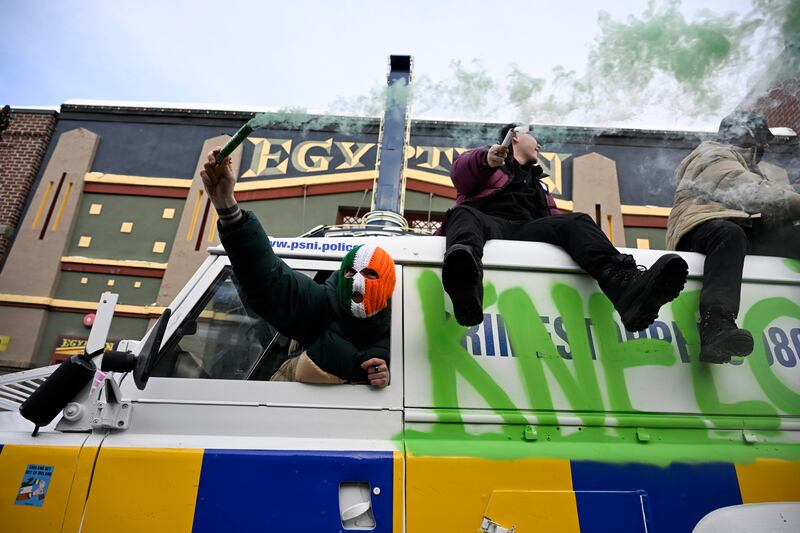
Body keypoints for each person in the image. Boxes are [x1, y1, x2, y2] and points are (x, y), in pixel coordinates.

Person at [441, 123, 689, 332]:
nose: (539, 144)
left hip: (527, 231)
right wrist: (486, 159)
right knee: (463, 215)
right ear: (515, 136)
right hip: (488, 222)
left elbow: (557, 222)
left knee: (577, 222)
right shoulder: (488, 161)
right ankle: (465, 287)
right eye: (534, 137)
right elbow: (461, 173)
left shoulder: (539, 186)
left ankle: (627, 289)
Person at [200, 148, 394, 388]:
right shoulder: (321, 306)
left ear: (388, 284)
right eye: (350, 272)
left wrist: (389, 377)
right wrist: (226, 204)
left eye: (370, 274)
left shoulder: (404, 327)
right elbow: (268, 278)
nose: (356, 281)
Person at [667, 110, 800, 364]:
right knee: (729, 234)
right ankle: (716, 325)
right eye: (761, 139)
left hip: (742, 228)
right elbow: (748, 191)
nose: (763, 147)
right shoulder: (712, 154)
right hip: (701, 228)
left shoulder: (749, 167)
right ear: (747, 135)